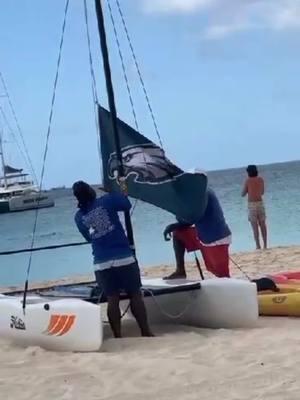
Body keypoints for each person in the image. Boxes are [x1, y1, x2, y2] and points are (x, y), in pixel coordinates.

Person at [73, 181, 153, 338]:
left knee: (112, 298)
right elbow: (126, 204)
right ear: (90, 190)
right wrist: (118, 189)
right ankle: (145, 331)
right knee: (135, 294)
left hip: (101, 263)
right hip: (123, 257)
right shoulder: (107, 200)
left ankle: (117, 335)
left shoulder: (79, 217)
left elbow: (89, 238)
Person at [163, 187, 232, 279]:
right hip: (203, 236)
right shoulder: (197, 192)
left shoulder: (201, 194)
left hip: (216, 239)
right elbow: (187, 219)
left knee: (223, 276)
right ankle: (180, 271)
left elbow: (190, 219)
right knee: (178, 233)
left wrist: (173, 224)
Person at [242, 165, 267, 250]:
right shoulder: (261, 180)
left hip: (251, 204)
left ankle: (258, 245)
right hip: (260, 203)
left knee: (254, 226)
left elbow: (243, 194)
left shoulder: (248, 181)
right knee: (262, 224)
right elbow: (262, 192)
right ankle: (265, 244)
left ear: (248, 172)